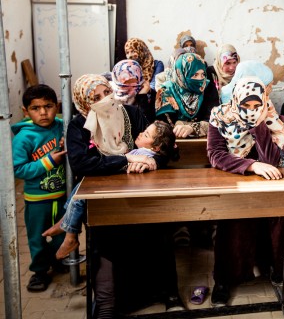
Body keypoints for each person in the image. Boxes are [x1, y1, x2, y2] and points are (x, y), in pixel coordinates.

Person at [66, 74, 183, 315]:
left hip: (141, 191)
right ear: (83, 102)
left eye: (106, 93)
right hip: (104, 198)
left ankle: (168, 293)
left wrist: (150, 164)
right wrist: (124, 160)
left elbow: (158, 148)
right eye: (95, 98)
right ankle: (109, 304)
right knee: (106, 244)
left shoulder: (131, 114)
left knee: (159, 232)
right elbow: (81, 164)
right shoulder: (79, 125)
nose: (104, 100)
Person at [207, 77, 284, 306]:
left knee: (277, 213)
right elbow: (215, 154)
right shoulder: (220, 116)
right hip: (233, 176)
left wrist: (259, 125)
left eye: (257, 105)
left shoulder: (272, 118)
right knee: (234, 220)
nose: (252, 111)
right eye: (246, 106)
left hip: (266, 180)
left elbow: (272, 159)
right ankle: (224, 279)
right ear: (237, 100)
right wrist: (251, 165)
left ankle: (273, 270)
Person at [43, 121, 176, 259]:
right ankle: (66, 220)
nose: (141, 134)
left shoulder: (146, 155)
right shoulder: (142, 151)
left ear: (156, 147)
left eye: (146, 135)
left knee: (80, 197)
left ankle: (70, 235)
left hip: (121, 189)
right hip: (115, 181)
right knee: (79, 188)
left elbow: (146, 163)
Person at [222, 60, 284, 239]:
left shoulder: (264, 100)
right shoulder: (225, 97)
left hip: (269, 149)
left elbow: (275, 127)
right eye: (268, 84)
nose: (271, 87)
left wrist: (276, 127)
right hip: (240, 154)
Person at [12, 84, 67, 292]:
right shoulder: (23, 138)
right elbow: (19, 169)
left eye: (49, 106)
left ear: (57, 107)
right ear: (26, 111)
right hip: (37, 201)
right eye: (36, 108)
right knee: (37, 237)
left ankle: (59, 260)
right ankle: (40, 271)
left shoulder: (61, 126)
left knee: (64, 233)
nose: (43, 112)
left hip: (62, 196)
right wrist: (49, 161)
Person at [156, 52, 219, 138]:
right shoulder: (166, 91)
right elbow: (165, 126)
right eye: (195, 75)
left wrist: (192, 128)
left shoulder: (208, 88)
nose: (200, 79)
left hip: (204, 142)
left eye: (203, 74)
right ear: (181, 74)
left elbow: (214, 119)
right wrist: (201, 126)